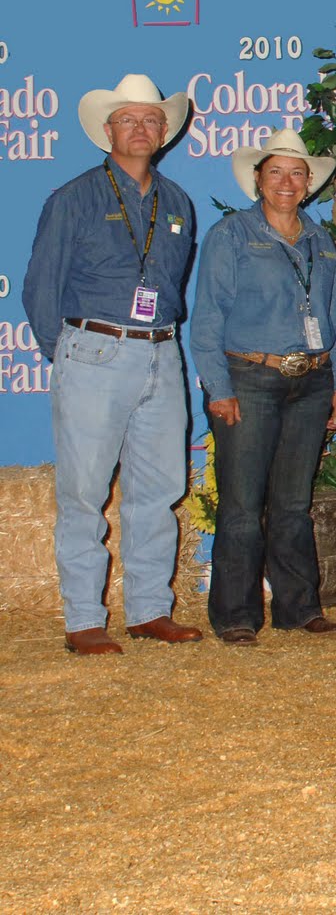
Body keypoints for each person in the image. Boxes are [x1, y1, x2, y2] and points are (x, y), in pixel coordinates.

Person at [22, 73, 202, 654]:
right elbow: (40, 289)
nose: (140, 128)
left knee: (160, 487)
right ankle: (83, 619)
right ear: (107, 131)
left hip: (162, 349)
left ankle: (149, 609)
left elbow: (171, 284)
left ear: (165, 131)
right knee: (84, 491)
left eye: (151, 120)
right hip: (94, 350)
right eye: (128, 119)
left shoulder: (177, 202)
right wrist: (71, 355)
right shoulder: (74, 198)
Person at [189, 129, 336, 645]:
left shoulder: (320, 240)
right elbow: (207, 318)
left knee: (293, 502)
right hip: (250, 378)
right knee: (242, 503)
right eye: (276, 172)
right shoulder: (231, 235)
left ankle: (299, 607)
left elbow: (333, 319)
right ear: (258, 180)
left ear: (308, 183)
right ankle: (236, 615)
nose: (287, 182)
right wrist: (218, 387)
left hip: (312, 380)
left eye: (297, 173)